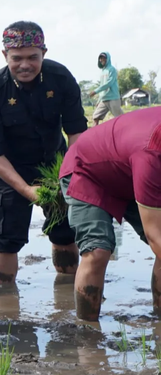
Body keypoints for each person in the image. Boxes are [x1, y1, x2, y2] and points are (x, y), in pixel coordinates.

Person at [0, 21, 88, 285]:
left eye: (32, 57)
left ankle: (66, 292)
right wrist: (27, 190)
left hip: (55, 164)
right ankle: (5, 300)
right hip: (9, 169)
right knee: (6, 239)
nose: (24, 65)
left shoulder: (60, 79)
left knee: (65, 232)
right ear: (5, 55)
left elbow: (76, 132)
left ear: (44, 53)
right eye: (17, 58)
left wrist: (69, 174)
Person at [60, 107, 161, 321]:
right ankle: (87, 332)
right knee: (97, 250)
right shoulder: (152, 152)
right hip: (87, 170)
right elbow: (156, 236)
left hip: (128, 169)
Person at [89, 52, 123, 125]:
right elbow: (102, 86)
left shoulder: (112, 69)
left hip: (113, 98)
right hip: (104, 99)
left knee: (120, 118)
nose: (102, 60)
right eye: (100, 58)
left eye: (103, 58)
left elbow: (108, 83)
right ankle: (94, 134)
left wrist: (95, 91)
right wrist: (99, 100)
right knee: (95, 117)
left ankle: (126, 131)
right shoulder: (102, 71)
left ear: (107, 59)